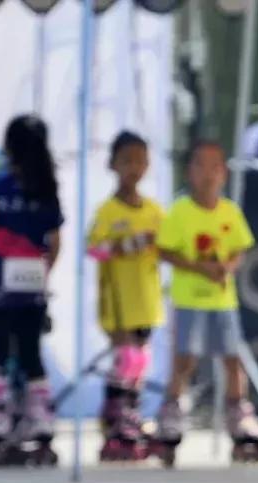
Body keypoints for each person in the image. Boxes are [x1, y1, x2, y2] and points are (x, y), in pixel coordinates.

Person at [153, 140, 258, 465]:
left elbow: (239, 248)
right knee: (185, 358)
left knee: (232, 358)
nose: (208, 174)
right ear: (190, 171)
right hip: (190, 298)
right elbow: (164, 249)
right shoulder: (180, 211)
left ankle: (238, 413)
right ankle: (173, 411)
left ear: (224, 173)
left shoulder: (229, 212)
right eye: (200, 166)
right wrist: (198, 268)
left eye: (214, 167)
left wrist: (227, 268)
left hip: (222, 299)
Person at [0, 114, 62, 466]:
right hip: (32, 286)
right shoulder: (47, 192)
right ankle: (40, 421)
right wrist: (43, 274)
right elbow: (55, 242)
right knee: (31, 353)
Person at [87, 131, 165, 461]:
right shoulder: (108, 211)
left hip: (145, 298)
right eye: (127, 161)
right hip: (118, 301)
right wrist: (124, 245)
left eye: (140, 161)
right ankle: (114, 420)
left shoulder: (153, 211)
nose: (134, 168)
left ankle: (131, 414)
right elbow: (93, 248)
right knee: (125, 358)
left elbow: (168, 245)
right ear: (113, 165)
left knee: (140, 360)